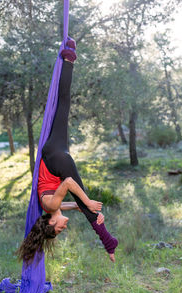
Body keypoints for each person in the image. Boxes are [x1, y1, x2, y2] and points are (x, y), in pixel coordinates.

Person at [17, 39, 118, 265]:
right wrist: (81, 206)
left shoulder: (51, 206)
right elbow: (66, 201)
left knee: (83, 194)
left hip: (56, 159)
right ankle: (69, 57)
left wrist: (89, 204)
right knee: (64, 105)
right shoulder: (53, 205)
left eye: (59, 230)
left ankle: (107, 240)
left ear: (51, 223)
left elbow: (70, 183)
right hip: (54, 153)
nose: (64, 228)